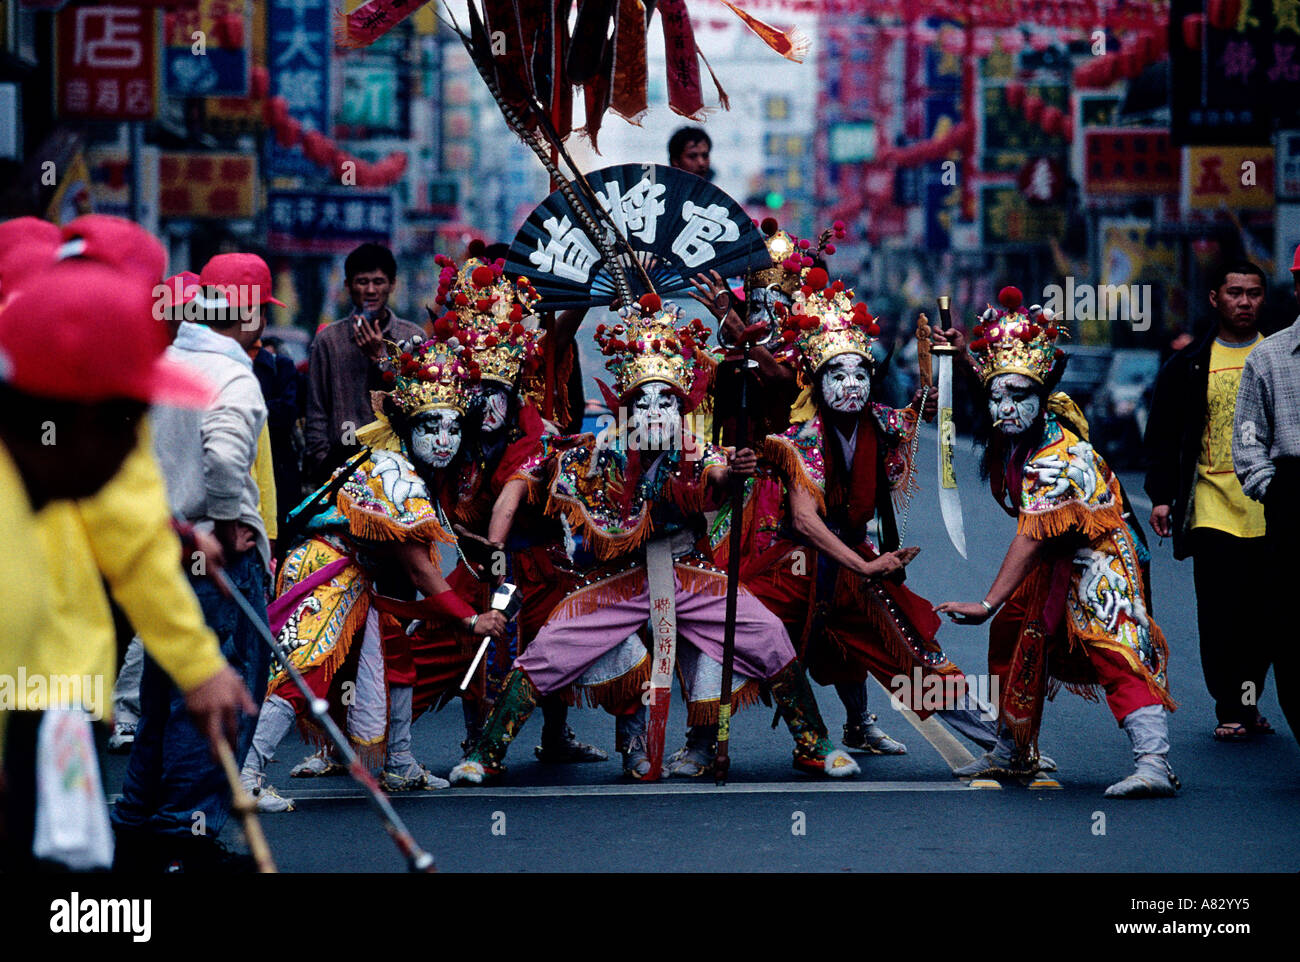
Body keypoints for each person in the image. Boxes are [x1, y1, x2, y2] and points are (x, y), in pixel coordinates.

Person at [449, 293, 862, 785]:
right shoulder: (601, 450)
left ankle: (815, 744)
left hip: (690, 573)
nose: (653, 411)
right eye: (642, 401)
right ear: (626, 407)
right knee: (553, 644)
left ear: (682, 405)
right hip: (621, 576)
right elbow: (532, 474)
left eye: (665, 399)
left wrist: (735, 473)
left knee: (768, 633)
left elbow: (717, 481)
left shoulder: (698, 449)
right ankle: (487, 752)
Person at [0, 217, 250, 872]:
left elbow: (130, 531)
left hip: (51, 685)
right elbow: (132, 535)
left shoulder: (77, 387)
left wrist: (195, 662)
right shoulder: (91, 379)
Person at [240, 326, 508, 805]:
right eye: (430, 426)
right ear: (405, 426)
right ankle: (247, 778)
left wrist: (471, 542)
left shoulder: (409, 465)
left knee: (397, 664)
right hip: (330, 572)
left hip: (360, 577)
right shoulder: (395, 472)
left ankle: (400, 764)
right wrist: (470, 618)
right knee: (306, 672)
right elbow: (418, 569)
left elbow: (425, 535)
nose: (445, 440)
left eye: (453, 427)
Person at [934, 287, 1179, 798]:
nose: (1004, 407)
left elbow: (1028, 536)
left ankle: (1154, 762)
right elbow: (1003, 382)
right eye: (996, 397)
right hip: (1054, 557)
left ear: (1042, 398)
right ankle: (1013, 749)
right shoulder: (1018, 418)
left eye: (1018, 397)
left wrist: (985, 601)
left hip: (1098, 554)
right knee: (1011, 636)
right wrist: (961, 357)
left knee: (1113, 646)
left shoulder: (1055, 456)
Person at [111, 252, 281, 870]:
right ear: (249, 314)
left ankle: (138, 821)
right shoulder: (230, 377)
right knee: (206, 694)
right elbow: (225, 456)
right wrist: (234, 521)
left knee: (164, 690)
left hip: (163, 551)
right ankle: (185, 831)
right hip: (212, 556)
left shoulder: (166, 362)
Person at [428, 254, 606, 763]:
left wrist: (582, 279)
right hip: (479, 557)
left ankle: (557, 735)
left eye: (496, 393)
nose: (486, 403)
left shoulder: (533, 394)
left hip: (536, 547)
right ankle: (476, 737)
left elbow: (567, 324)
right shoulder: (452, 417)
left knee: (553, 642)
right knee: (476, 647)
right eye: (476, 393)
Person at [1144, 261, 1274, 741]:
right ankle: (1232, 708)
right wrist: (1161, 496)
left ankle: (1248, 700)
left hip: (1273, 507)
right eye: (1235, 292)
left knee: (1265, 618)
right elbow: (1162, 435)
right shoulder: (1189, 364)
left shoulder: (1281, 356)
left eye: (1254, 293)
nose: (1245, 302)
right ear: (1215, 299)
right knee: (1220, 614)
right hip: (1212, 505)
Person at [1232, 246, 1300, 746]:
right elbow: (1248, 444)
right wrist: (1276, 492)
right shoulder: (1270, 357)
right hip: (1293, 495)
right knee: (1290, 628)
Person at [304, 243, 423, 482]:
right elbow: (316, 411)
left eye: (378, 282)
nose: (370, 290)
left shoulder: (413, 338)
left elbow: (417, 406)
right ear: (348, 286)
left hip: (399, 463)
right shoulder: (328, 340)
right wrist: (322, 460)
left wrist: (381, 360)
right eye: (362, 282)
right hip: (340, 461)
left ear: (392, 284)